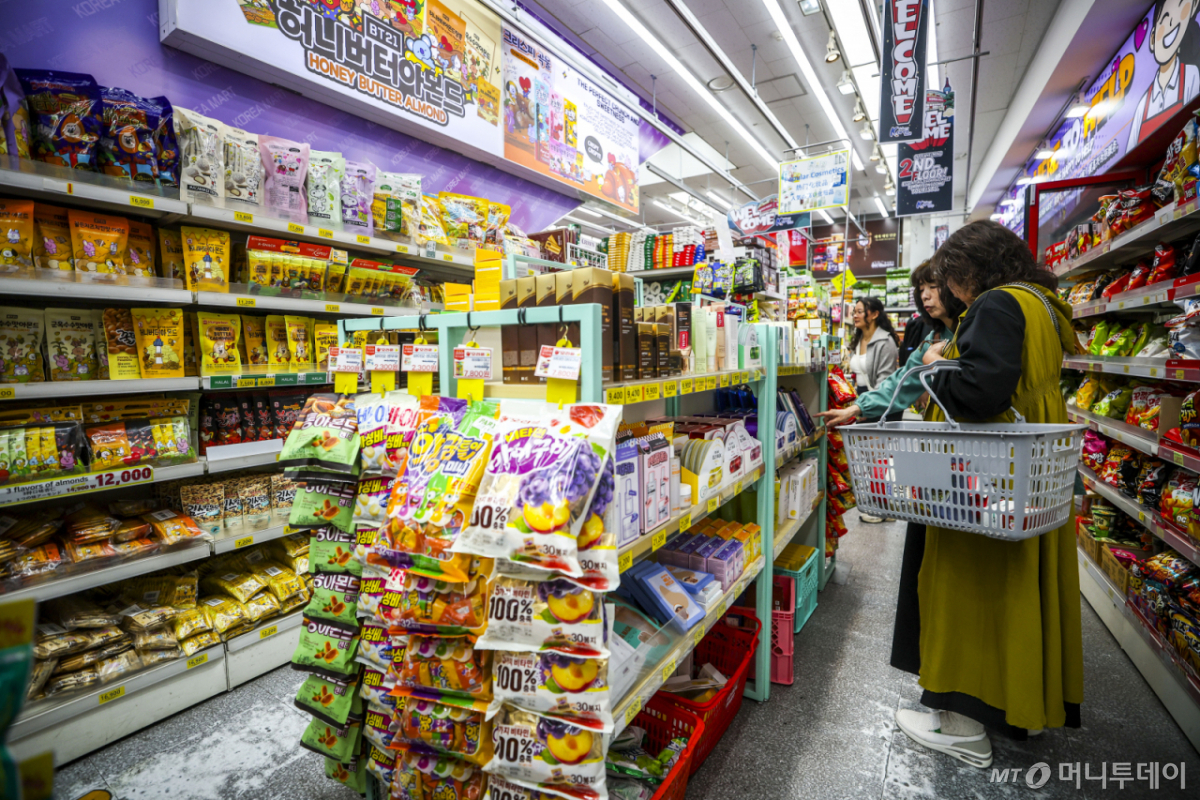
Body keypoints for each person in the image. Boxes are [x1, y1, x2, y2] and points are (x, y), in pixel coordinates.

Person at [890, 220, 1083, 770]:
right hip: (1026, 466)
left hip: (984, 470)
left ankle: (961, 724)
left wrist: (935, 366)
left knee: (964, 586)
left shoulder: (996, 304)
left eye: (951, 279)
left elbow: (981, 391)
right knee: (1016, 587)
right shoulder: (1041, 304)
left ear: (971, 270)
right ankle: (1018, 702)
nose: (951, 292)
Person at [845, 296, 900, 522]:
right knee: (869, 458)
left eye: (860, 311)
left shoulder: (885, 341)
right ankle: (884, 505)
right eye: (854, 312)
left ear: (875, 314)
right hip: (864, 401)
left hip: (880, 404)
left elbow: (885, 383)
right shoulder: (859, 339)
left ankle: (882, 508)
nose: (855, 315)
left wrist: (865, 408)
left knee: (877, 458)